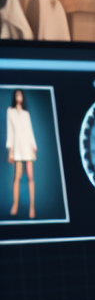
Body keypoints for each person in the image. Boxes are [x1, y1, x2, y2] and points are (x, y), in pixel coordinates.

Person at [6, 89, 37, 219]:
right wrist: (10, 151)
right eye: (17, 95)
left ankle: (32, 207)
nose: (19, 97)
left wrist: (34, 147)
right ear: (15, 97)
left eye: (20, 95)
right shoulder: (10, 111)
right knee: (17, 177)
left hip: (27, 147)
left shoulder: (26, 114)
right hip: (17, 146)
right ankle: (15, 204)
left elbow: (30, 131)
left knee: (30, 176)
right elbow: (10, 131)